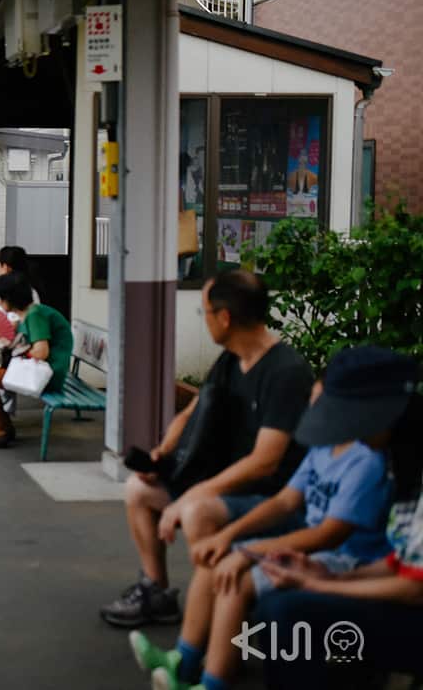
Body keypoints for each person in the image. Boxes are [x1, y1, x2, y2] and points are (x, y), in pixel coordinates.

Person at [129, 349, 398, 690]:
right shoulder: (322, 449)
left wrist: (246, 551)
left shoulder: (366, 462)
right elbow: (286, 500)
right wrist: (229, 537)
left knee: (238, 578)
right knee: (217, 559)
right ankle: (183, 661)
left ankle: (213, 682)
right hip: (313, 544)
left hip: (347, 558)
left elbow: (329, 535)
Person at [99, 269, 314, 629]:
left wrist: (191, 496)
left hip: (271, 496)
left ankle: (222, 613)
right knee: (140, 489)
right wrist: (162, 454)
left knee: (199, 511)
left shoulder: (286, 373)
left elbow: (265, 462)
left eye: (205, 313)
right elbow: (191, 412)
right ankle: (156, 592)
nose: (205, 321)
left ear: (226, 317)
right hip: (224, 481)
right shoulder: (231, 360)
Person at [252, 348, 422, 690]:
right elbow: (404, 559)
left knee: (290, 614)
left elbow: (415, 589)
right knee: (277, 608)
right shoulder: (400, 459)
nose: (352, 435)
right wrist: (330, 575)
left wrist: (320, 585)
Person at [0, 273, 72, 448]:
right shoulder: (30, 313)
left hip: (47, 375)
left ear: (9, 298)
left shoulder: (35, 315)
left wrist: (16, 352)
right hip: (45, 370)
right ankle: (0, 426)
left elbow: (41, 352)